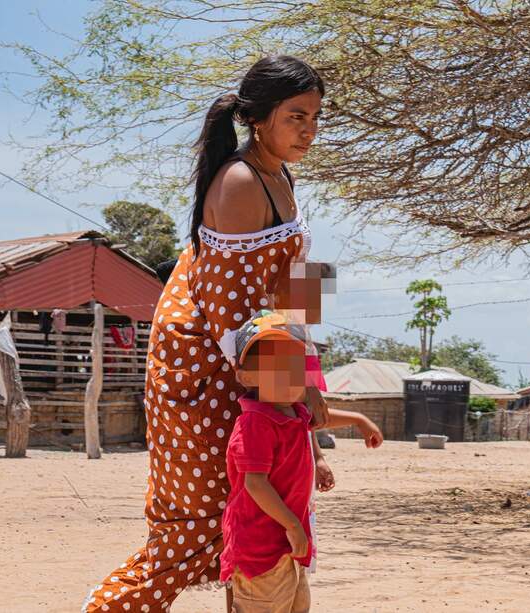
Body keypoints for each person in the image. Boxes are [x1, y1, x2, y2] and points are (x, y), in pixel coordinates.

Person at [84, 55, 371, 612]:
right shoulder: (241, 182)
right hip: (208, 373)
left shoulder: (279, 176)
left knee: (256, 517)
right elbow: (230, 313)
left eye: (315, 117)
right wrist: (299, 382)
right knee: (198, 527)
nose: (309, 130)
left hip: (256, 364)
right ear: (258, 119)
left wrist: (310, 373)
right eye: (296, 117)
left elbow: (294, 285)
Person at [222, 310, 381, 612]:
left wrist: (360, 420)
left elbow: (320, 418)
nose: (288, 376)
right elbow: (255, 483)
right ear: (246, 376)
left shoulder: (293, 411)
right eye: (275, 367)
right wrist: (294, 526)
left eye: (295, 367)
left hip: (287, 544)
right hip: (260, 547)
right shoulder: (255, 423)